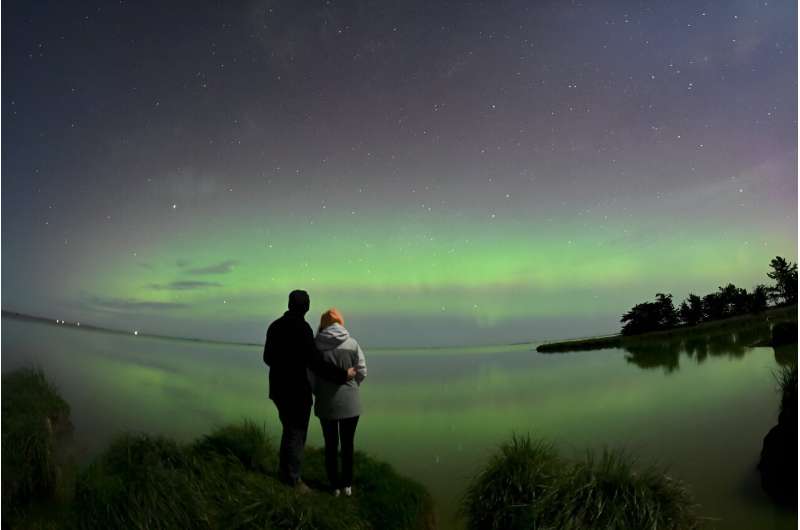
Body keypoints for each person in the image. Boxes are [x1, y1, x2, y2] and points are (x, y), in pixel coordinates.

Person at [263, 290, 356, 492]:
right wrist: (343, 375)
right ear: (306, 307)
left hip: (278, 389)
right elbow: (316, 363)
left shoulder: (275, 326)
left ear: (289, 304)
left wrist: (284, 364)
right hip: (296, 391)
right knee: (296, 433)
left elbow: (267, 358)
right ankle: (293, 481)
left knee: (288, 430)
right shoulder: (302, 329)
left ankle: (285, 473)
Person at [310, 308, 367, 497]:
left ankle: (334, 486)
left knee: (331, 445)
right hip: (351, 402)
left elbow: (310, 376)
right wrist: (352, 386)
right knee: (348, 444)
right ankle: (347, 485)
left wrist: (319, 391)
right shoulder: (352, 343)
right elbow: (362, 371)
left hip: (326, 402)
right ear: (340, 322)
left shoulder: (316, 345)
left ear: (323, 323)